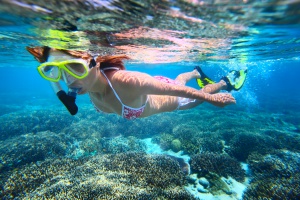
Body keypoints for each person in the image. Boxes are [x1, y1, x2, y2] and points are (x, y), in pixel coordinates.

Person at [26, 46, 247, 119]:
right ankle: (195, 72)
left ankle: (223, 82)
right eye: (56, 71)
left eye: (76, 67)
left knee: (188, 93)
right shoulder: (79, 85)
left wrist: (211, 98)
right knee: (176, 79)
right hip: (155, 87)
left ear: (93, 63)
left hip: (172, 99)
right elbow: (55, 77)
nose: (68, 80)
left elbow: (173, 90)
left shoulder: (124, 81)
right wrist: (53, 76)